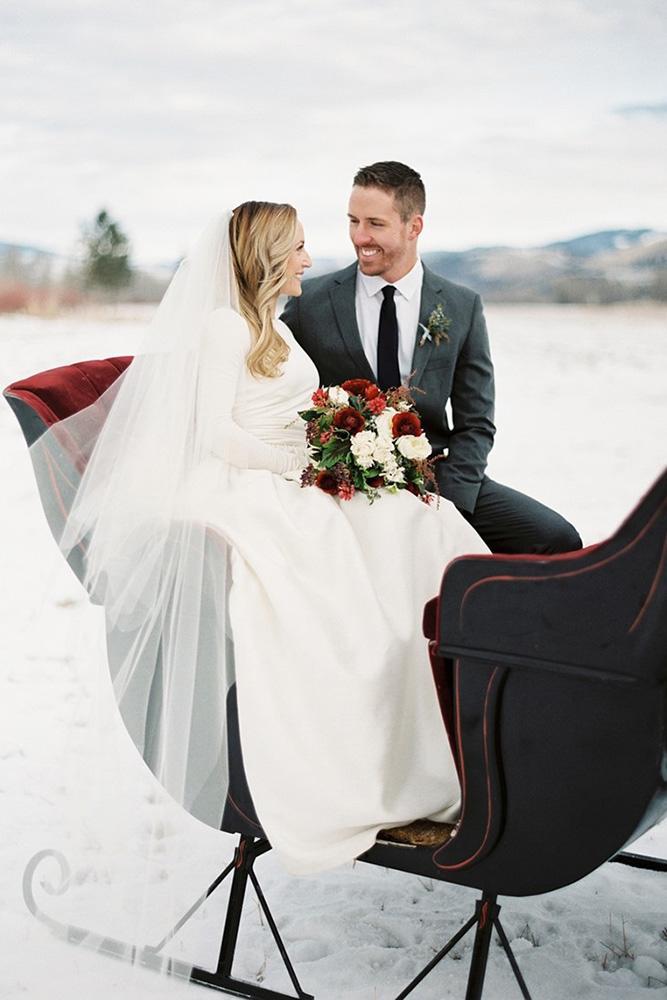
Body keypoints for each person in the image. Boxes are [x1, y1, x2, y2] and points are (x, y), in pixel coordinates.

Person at [32, 203, 488, 882]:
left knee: (421, 519)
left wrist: (344, 439)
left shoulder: (265, 322)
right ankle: (386, 746)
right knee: (377, 538)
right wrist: (300, 467)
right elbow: (214, 432)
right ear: (270, 257)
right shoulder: (222, 328)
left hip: (288, 466)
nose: (310, 258)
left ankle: (451, 707)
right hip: (246, 479)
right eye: (299, 248)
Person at [281, 161, 582, 555]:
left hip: (439, 479)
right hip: (343, 482)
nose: (360, 236)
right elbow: (281, 393)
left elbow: (476, 423)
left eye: (375, 223)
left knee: (556, 539)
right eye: (353, 221)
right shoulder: (312, 303)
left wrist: (449, 505)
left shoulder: (461, 306)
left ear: (414, 227)